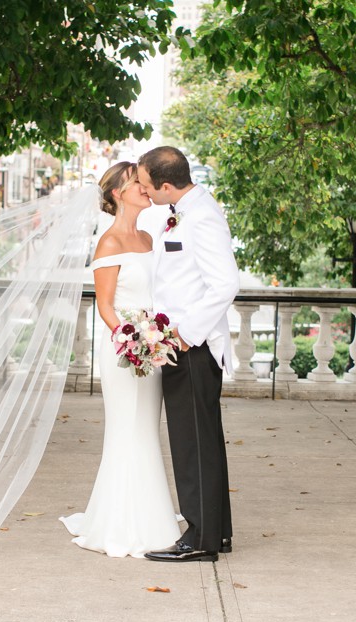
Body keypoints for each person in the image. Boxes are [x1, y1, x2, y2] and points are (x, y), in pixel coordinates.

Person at [59, 162, 181, 558]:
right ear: (117, 193)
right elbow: (106, 306)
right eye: (137, 183)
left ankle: (152, 516)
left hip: (152, 350)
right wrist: (131, 340)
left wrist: (157, 339)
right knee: (126, 430)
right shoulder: (108, 243)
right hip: (125, 353)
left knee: (146, 429)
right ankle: (120, 523)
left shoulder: (148, 238)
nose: (146, 188)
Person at [137, 146, 240, 563]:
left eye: (146, 185)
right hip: (181, 343)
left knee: (192, 443)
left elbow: (225, 284)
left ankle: (199, 538)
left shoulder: (202, 216)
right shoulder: (183, 209)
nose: (143, 192)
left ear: (165, 185)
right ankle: (217, 532)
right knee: (203, 440)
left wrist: (183, 334)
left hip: (192, 348)